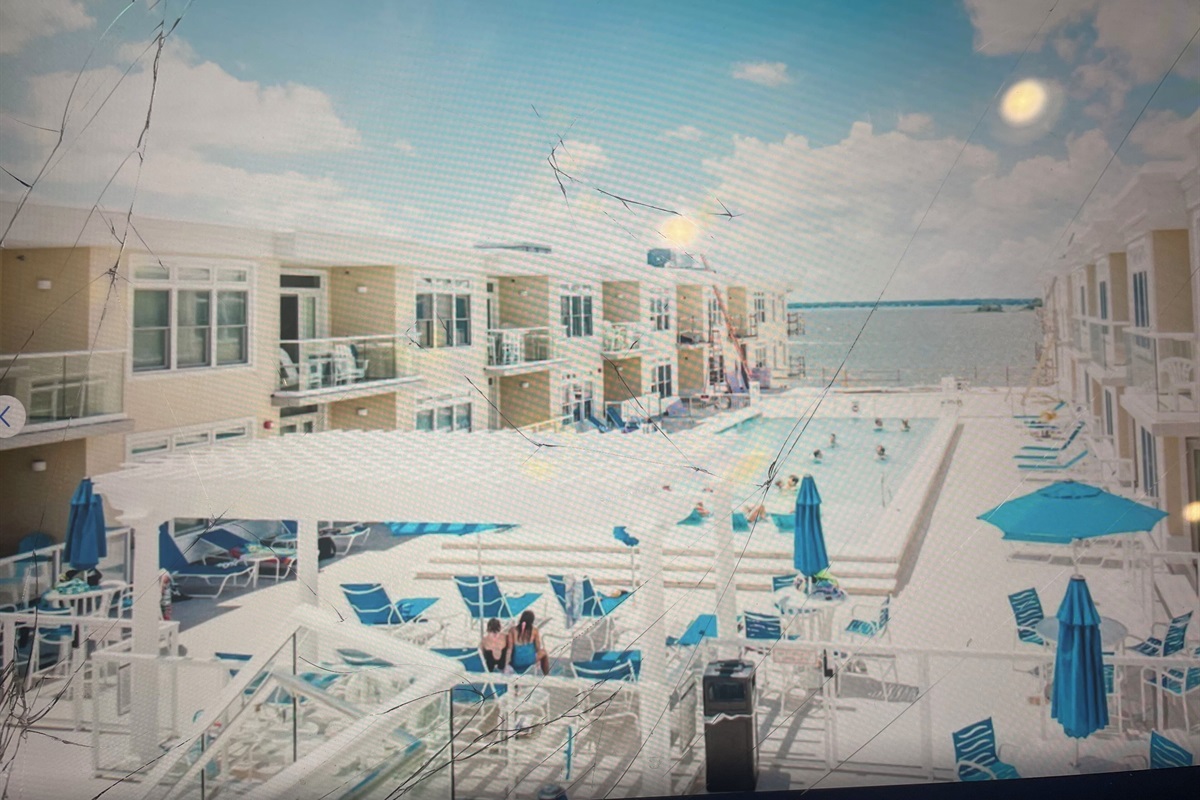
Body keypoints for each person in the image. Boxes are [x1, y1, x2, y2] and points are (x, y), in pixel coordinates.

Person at [508, 610, 551, 675]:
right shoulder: (534, 631)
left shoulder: (512, 630)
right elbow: (537, 647)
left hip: (516, 661)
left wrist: (507, 663)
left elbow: (509, 648)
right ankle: (546, 675)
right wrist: (538, 661)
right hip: (530, 660)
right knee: (544, 652)